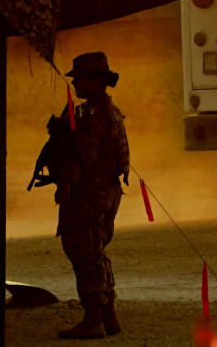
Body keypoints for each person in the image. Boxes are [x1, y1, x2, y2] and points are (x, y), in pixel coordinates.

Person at [52, 52, 130, 340]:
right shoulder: (110, 112)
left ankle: (93, 319)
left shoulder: (92, 118)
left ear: (96, 81)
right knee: (96, 253)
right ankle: (108, 316)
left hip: (89, 193)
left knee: (84, 253)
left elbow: (81, 156)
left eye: (81, 79)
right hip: (106, 192)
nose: (76, 85)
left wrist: (64, 184)